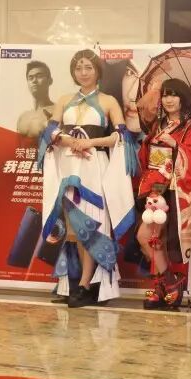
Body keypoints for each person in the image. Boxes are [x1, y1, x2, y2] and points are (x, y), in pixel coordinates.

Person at [37, 49, 135, 308]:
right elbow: (49, 130)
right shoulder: (64, 100)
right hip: (69, 167)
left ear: (97, 70)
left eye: (88, 67)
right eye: (78, 68)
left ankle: (87, 284)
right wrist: (69, 141)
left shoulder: (108, 101)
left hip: (95, 167)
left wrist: (90, 142)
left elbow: (121, 136)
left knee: (92, 225)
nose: (83, 72)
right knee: (73, 228)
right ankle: (76, 282)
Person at [133, 78, 191, 309]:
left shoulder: (190, 128)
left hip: (173, 188)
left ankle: (166, 284)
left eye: (174, 95)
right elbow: (147, 157)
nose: (168, 99)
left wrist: (175, 146)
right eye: (165, 94)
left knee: (154, 237)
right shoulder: (158, 125)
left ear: (183, 99)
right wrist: (150, 143)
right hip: (154, 187)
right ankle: (167, 283)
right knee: (150, 238)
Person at [17, 61, 55, 138]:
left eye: (39, 76)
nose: (34, 80)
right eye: (30, 78)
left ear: (50, 81)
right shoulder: (23, 117)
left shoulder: (58, 111)